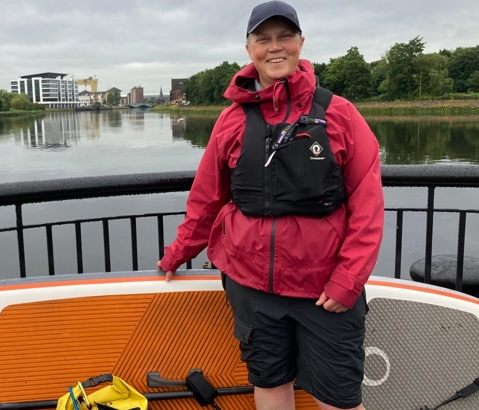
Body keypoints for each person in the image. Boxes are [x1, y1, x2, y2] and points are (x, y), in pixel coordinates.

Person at [156, 1, 384, 409]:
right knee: (269, 381)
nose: (274, 48)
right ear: (249, 49)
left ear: (300, 44)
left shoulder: (340, 115)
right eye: (263, 39)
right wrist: (176, 254)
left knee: (340, 399)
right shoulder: (231, 121)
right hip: (252, 286)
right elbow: (207, 199)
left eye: (284, 37)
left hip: (324, 289)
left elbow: (368, 208)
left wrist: (348, 280)